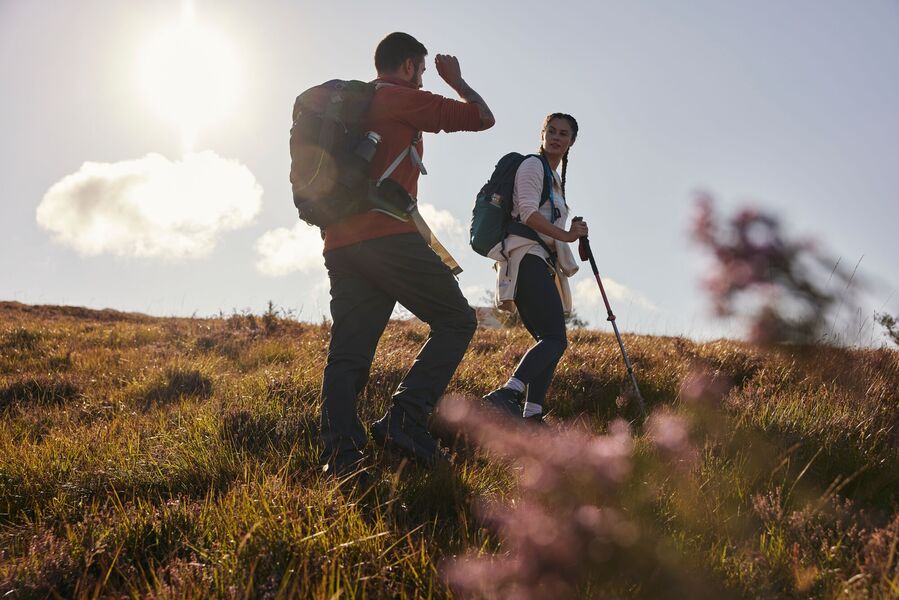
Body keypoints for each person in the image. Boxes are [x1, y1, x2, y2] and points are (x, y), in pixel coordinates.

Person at [319, 32, 495, 476]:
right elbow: (482, 117)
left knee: (349, 355)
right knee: (457, 319)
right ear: (409, 66)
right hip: (387, 237)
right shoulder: (400, 97)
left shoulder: (354, 107)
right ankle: (405, 417)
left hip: (341, 243)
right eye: (419, 71)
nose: (421, 81)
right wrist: (455, 80)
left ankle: (340, 457)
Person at [483, 113, 586, 423]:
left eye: (563, 134)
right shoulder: (532, 165)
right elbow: (527, 214)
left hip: (537, 260)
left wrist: (572, 229)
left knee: (550, 341)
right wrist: (568, 235)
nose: (556, 137)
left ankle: (532, 414)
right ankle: (507, 394)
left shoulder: (554, 179)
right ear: (542, 134)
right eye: (551, 131)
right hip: (525, 256)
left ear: (571, 142)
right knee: (555, 339)